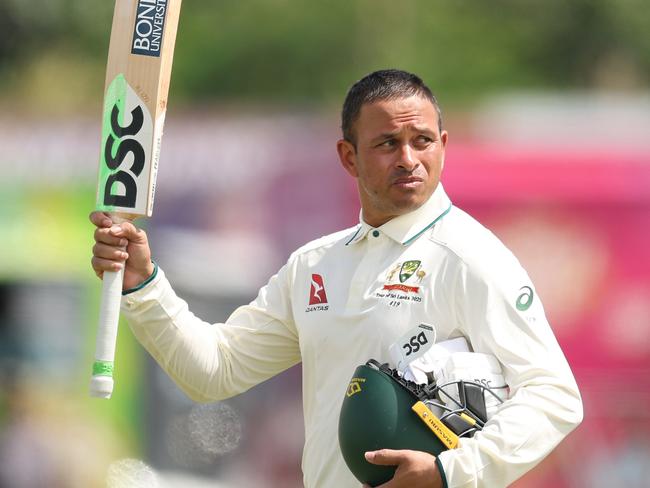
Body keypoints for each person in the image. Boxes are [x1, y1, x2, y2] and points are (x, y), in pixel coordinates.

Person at [90, 69, 583, 488]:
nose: (409, 159)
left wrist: (449, 470)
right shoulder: (315, 265)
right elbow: (214, 371)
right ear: (349, 156)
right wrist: (143, 283)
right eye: (388, 143)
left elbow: (554, 396)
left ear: (444, 145)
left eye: (423, 141)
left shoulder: (470, 256)